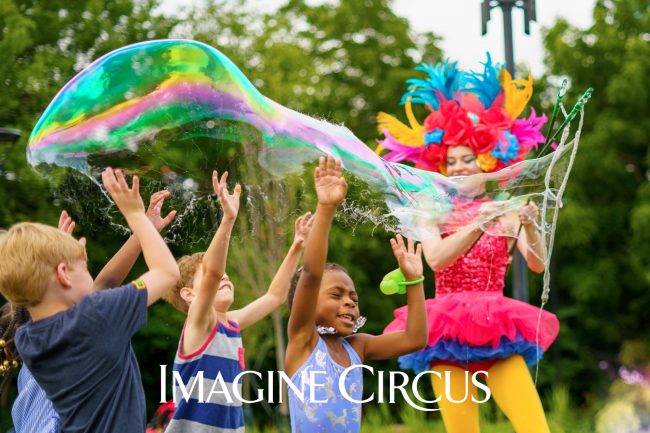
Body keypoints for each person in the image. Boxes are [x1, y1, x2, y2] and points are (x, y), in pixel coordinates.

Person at [380, 57, 560, 433]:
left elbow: (538, 265)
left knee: (535, 428)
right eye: (451, 162)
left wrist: (528, 225)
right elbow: (437, 261)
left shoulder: (505, 212)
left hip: (500, 330)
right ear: (440, 167)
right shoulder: (433, 214)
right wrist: (479, 223)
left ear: (487, 162)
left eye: (468, 159)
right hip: (446, 333)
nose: (459, 167)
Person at [0, 168, 180, 433]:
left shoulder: (29, 338)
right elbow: (167, 272)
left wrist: (61, 260)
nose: (89, 275)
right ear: (63, 276)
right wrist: (136, 217)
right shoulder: (97, 316)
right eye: (83, 268)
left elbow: (99, 290)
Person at [285, 155, 427, 433]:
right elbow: (312, 273)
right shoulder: (303, 340)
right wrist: (326, 207)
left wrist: (414, 282)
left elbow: (415, 339)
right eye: (336, 295)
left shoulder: (357, 347)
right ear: (308, 302)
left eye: (353, 298)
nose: (349, 301)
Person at [164, 170, 313, 433]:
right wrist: (228, 219)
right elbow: (212, 272)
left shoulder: (230, 323)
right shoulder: (200, 323)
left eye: (227, 276)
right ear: (189, 295)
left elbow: (275, 296)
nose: (224, 277)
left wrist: (297, 246)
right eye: (217, 277)